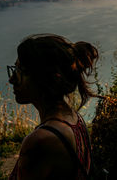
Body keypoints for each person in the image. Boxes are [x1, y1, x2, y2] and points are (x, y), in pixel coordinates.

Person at [7, 34, 98, 179]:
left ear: (44, 78)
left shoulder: (40, 141)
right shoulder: (75, 119)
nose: (12, 79)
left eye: (20, 71)